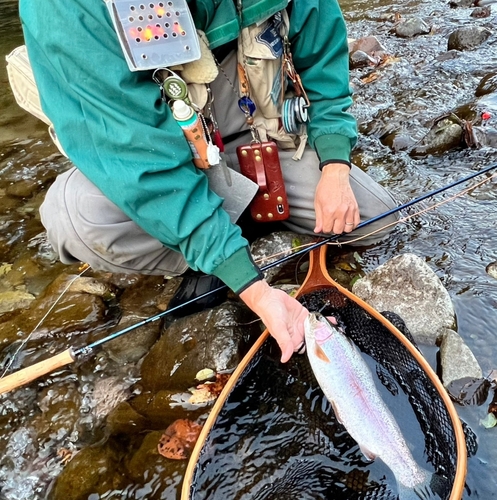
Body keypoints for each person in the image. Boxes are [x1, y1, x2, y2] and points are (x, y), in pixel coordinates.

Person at [18, 0, 398, 363]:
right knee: (76, 219)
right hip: (157, 142)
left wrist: (335, 165)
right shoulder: (64, 8)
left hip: (252, 127)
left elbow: (323, 60)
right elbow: (137, 159)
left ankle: (231, 218)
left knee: (376, 220)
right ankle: (211, 245)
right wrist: (252, 287)